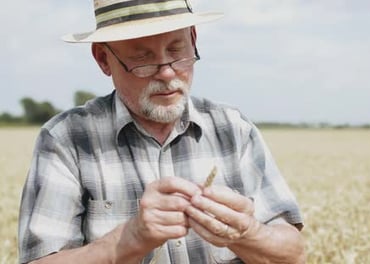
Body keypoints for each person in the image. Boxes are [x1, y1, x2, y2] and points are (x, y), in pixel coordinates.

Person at [17, 0, 305, 263]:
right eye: (143, 58)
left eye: (177, 51)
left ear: (193, 39)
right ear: (103, 59)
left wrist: (248, 233)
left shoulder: (233, 128)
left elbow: (293, 254)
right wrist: (127, 239)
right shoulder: (67, 140)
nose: (167, 73)